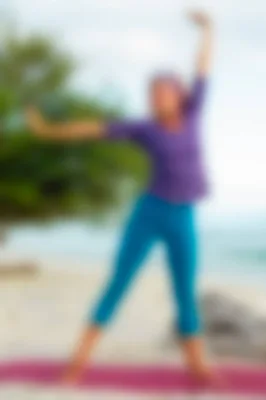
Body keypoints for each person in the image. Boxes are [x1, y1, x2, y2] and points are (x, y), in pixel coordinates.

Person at [25, 10, 214, 383]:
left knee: (184, 293)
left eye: (165, 90)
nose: (158, 96)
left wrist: (209, 30)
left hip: (183, 217)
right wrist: (48, 130)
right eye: (153, 92)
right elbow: (93, 128)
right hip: (150, 212)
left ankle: (198, 368)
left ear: (179, 95)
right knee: (119, 282)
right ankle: (77, 363)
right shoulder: (143, 128)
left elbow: (203, 68)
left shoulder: (194, 115)